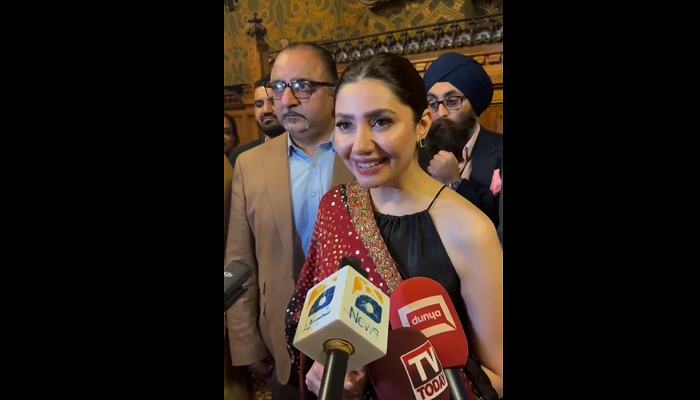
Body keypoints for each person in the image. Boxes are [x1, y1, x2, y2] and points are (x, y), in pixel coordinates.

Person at [285, 53, 504, 399]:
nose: (360, 145)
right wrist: (324, 369)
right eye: (345, 125)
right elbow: (311, 319)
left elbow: (498, 375)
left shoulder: (470, 230)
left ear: (422, 124)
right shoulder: (336, 207)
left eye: (381, 122)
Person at [224, 42, 354, 400]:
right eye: (278, 87)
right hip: (281, 346)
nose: (287, 101)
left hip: (357, 345)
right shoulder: (250, 166)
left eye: (302, 86)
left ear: (334, 92)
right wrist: (246, 344)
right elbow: (238, 264)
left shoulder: (363, 154)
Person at [421, 53, 503, 226]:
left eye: (452, 101)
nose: (441, 113)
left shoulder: (500, 152)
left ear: (474, 104)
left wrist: (454, 183)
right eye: (432, 103)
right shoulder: (416, 156)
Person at [228, 75, 286, 167]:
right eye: (259, 105)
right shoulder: (239, 158)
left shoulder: (309, 153)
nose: (266, 110)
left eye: (273, 102)